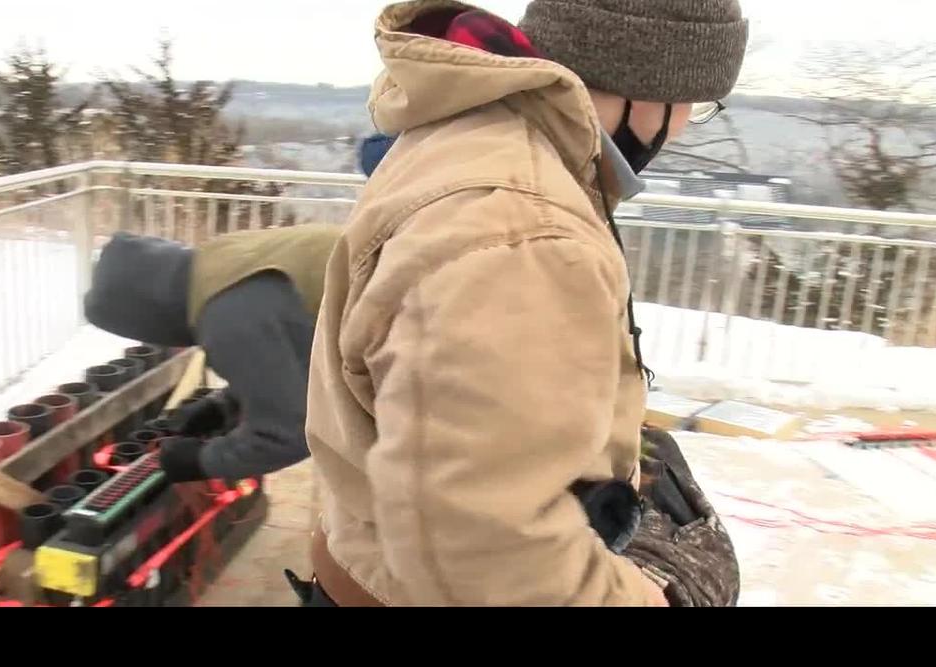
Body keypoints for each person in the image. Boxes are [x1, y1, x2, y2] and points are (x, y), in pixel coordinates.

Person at [298, 0, 748, 606]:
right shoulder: (523, 231)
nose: (685, 126)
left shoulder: (469, 134)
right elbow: (487, 550)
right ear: (651, 90)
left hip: (366, 553)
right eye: (695, 106)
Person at [83, 224, 340, 483]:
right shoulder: (218, 262)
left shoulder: (224, 319)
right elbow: (293, 347)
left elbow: (291, 435)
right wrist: (224, 405)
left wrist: (200, 461)